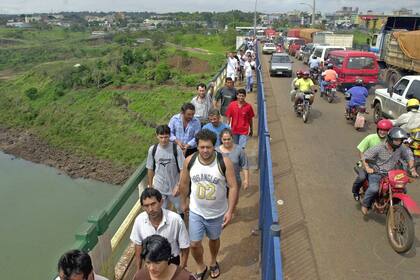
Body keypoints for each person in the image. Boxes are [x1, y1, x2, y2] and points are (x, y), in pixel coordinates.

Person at [179, 129, 239, 280]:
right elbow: (184, 183)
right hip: (196, 211)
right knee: (194, 243)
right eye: (201, 147)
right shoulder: (189, 161)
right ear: (197, 147)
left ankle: (213, 261)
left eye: (208, 147)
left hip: (217, 213)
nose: (205, 150)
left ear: (214, 146)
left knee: (214, 239)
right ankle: (201, 266)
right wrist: (183, 202)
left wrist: (230, 211)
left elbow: (232, 187)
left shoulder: (224, 162)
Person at [361, 127, 419, 215]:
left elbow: (409, 156)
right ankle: (365, 204)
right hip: (377, 172)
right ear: (390, 139)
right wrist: (368, 168)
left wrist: (412, 169)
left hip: (392, 174)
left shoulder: (401, 148)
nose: (399, 142)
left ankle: (396, 207)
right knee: (374, 189)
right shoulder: (379, 147)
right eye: (396, 140)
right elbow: (365, 157)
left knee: (402, 190)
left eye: (400, 140)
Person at [130, 188, 190, 270]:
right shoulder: (139, 220)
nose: (150, 209)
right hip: (150, 264)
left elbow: (185, 247)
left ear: (161, 202)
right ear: (143, 207)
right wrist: (139, 270)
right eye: (146, 206)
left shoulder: (176, 220)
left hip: (171, 262)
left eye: (153, 204)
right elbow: (138, 245)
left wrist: (181, 269)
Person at [147, 125, 185, 214]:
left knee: (180, 209)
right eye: (161, 137)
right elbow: (150, 168)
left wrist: (178, 185)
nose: (164, 140)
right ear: (157, 136)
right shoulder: (153, 150)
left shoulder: (176, 148)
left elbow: (183, 168)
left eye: (166, 137)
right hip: (159, 186)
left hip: (174, 186)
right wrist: (150, 186)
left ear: (169, 136)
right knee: (161, 210)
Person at [351, 119, 393, 201]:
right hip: (366, 164)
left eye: (385, 130)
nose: (382, 132)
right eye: (381, 129)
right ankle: (355, 191)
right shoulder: (370, 138)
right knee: (362, 177)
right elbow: (361, 151)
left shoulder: (390, 141)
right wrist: (366, 166)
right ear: (378, 129)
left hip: (382, 166)